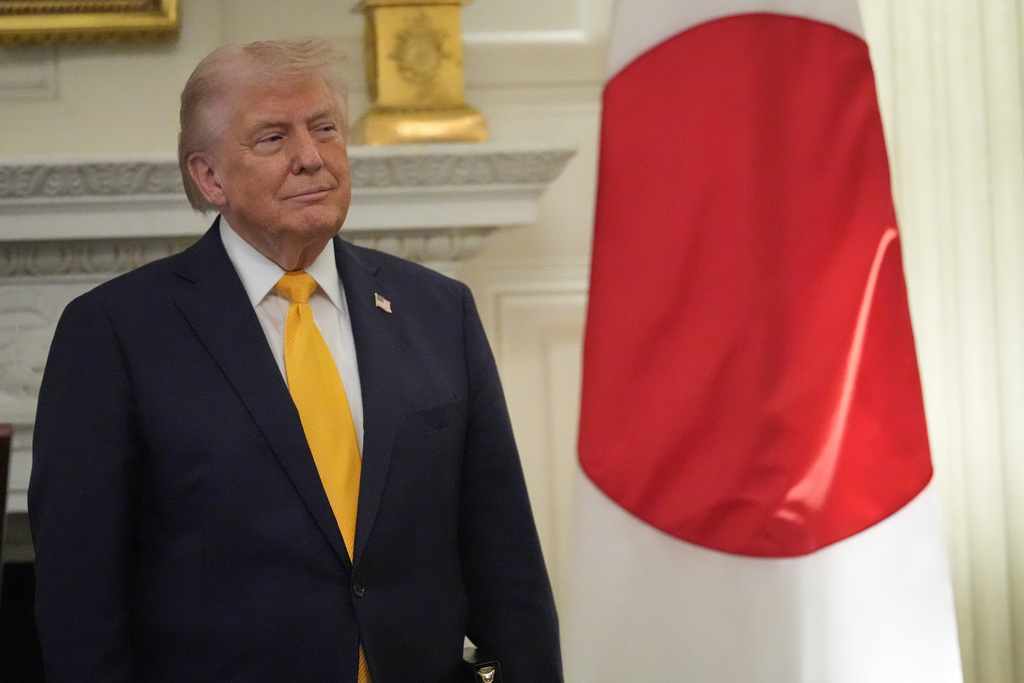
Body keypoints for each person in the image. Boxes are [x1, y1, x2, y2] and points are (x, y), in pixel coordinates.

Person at [29, 38, 562, 683]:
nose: (311, 158)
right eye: (273, 138)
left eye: (325, 129)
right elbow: (79, 597)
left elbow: (505, 557)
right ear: (209, 177)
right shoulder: (115, 332)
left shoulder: (437, 310)